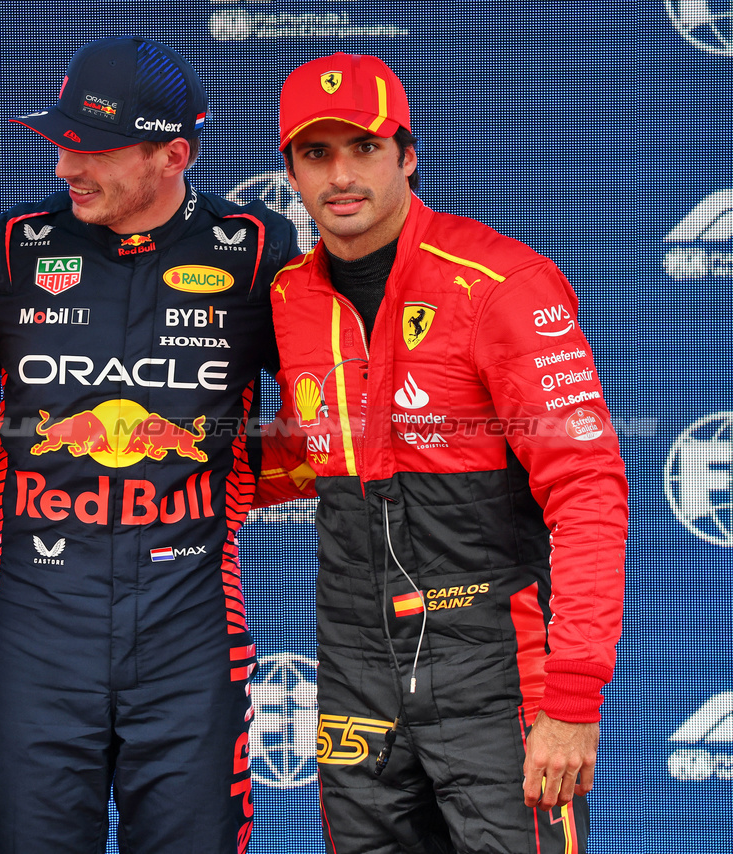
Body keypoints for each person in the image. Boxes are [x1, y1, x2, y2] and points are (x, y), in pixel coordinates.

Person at [255, 52, 629, 853]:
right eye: (316, 153)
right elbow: (309, 453)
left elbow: (588, 485)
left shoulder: (499, 281)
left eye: (364, 147)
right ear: (289, 169)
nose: (341, 175)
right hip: (356, 666)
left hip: (495, 672)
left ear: (408, 154)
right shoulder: (290, 297)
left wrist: (572, 696)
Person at [0, 36, 298, 853]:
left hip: (192, 633)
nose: (67, 166)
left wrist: (241, 473)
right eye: (61, 141)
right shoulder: (11, 248)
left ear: (173, 154)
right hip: (37, 629)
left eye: (93, 147)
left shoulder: (255, 252)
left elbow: (339, 417)